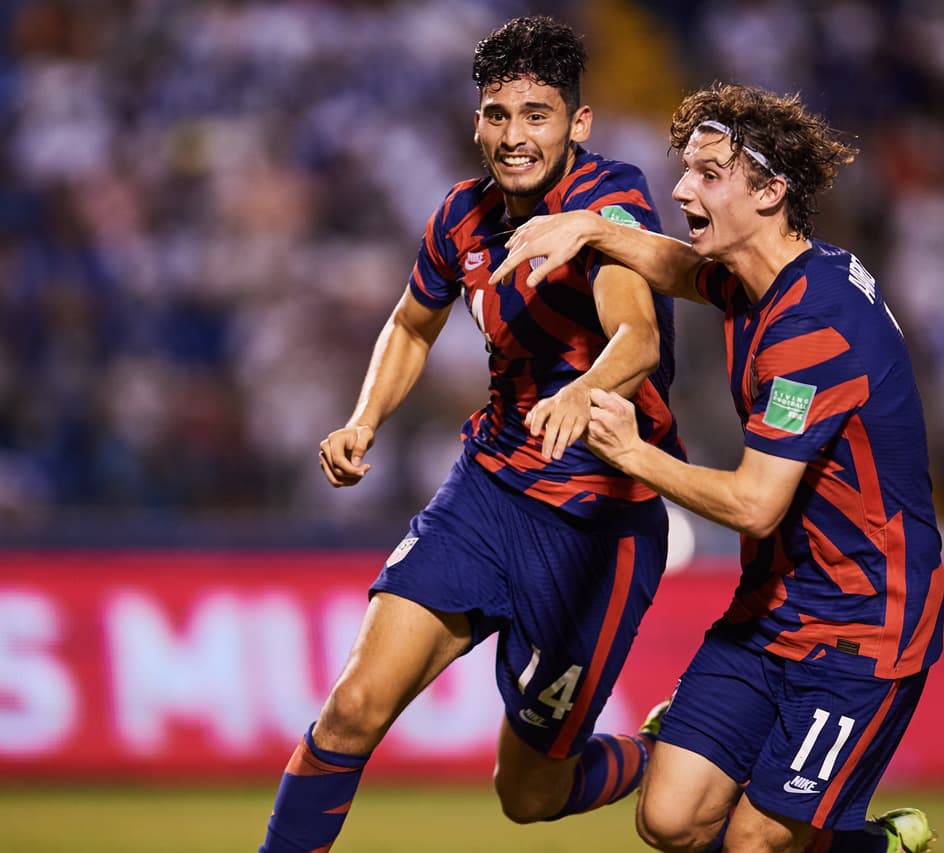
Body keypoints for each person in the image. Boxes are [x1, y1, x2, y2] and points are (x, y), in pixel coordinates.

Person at [259, 16, 685, 852]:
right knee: (349, 710)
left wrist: (587, 391)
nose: (514, 135)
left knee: (527, 794)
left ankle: (674, 748)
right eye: (497, 113)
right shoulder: (461, 215)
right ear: (476, 118)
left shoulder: (607, 206)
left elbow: (638, 337)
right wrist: (362, 419)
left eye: (536, 114)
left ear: (578, 123)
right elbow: (412, 324)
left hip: (596, 527)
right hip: (486, 496)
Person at [491, 83, 943, 853]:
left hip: (862, 627)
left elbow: (755, 503)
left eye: (707, 173)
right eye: (685, 169)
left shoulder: (814, 329)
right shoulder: (763, 279)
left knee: (753, 843)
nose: (679, 188)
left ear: (770, 192)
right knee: (668, 818)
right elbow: (674, 266)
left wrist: (634, 454)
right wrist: (588, 227)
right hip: (773, 609)